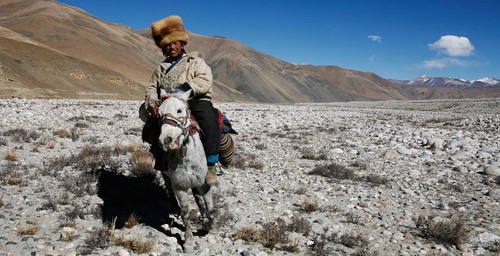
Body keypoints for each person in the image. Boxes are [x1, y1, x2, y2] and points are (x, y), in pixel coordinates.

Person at [140, 15, 221, 185]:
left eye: (174, 43)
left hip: (194, 99)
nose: (171, 47)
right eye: (167, 45)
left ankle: (211, 163)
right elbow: (152, 87)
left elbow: (205, 80)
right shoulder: (161, 68)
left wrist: (185, 89)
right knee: (153, 126)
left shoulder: (195, 62)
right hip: (169, 103)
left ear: (182, 43)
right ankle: (161, 156)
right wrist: (153, 102)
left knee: (208, 118)